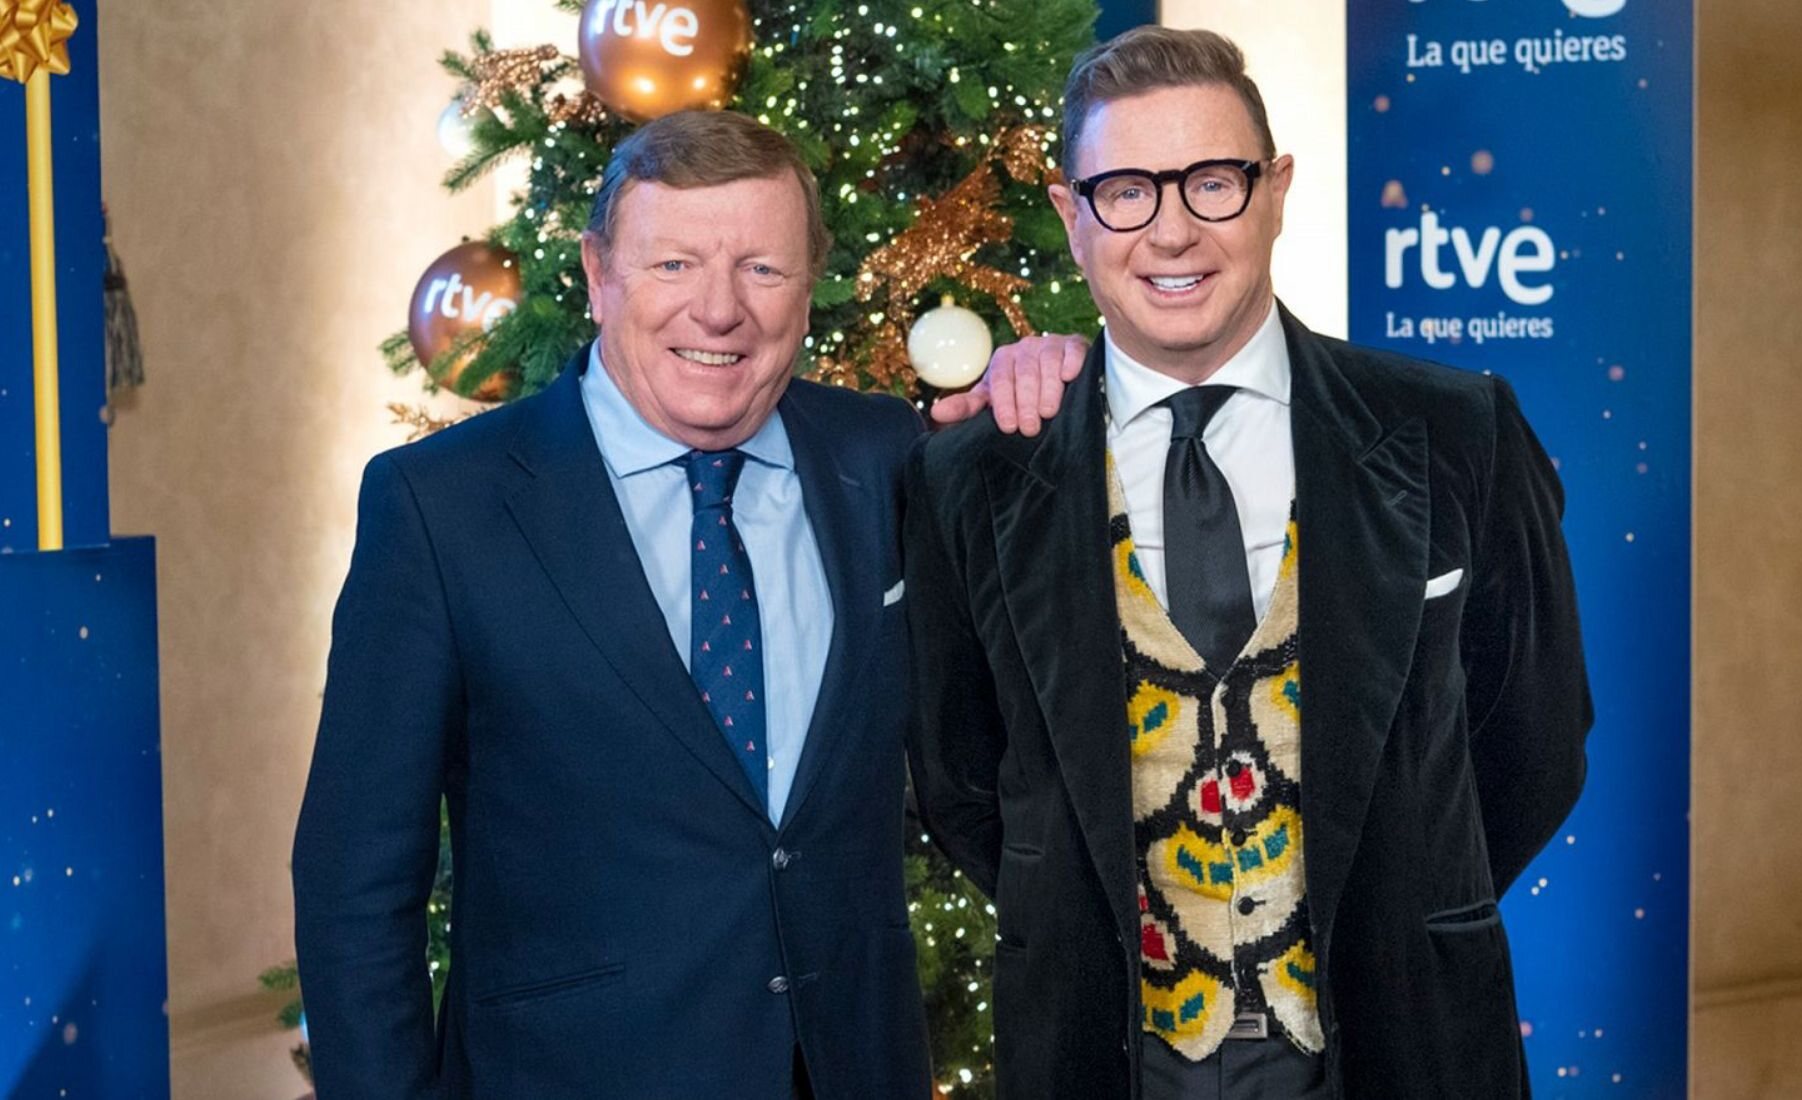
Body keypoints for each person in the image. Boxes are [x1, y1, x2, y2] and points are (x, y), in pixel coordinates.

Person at [291, 108, 1066, 1099]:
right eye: (673, 265)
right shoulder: (443, 506)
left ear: (808, 288)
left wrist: (1059, 384)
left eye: (762, 268)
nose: (718, 310)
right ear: (597, 273)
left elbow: (1022, 708)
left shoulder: (882, 456)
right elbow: (355, 888)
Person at [904, 26, 1594, 1099]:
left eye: (1213, 183)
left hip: (1404, 1048)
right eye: (1126, 191)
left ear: (1274, 190)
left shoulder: (1457, 432)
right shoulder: (971, 476)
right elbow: (960, 780)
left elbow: (1536, 740)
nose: (1172, 230)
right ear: (1070, 216)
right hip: (1105, 1059)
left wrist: (1398, 917)